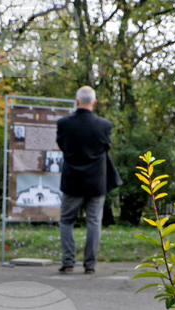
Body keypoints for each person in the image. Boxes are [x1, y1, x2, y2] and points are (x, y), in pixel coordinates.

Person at [55, 86, 121, 274]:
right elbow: (106, 147)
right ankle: (90, 265)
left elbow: (62, 145)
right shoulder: (104, 125)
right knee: (94, 222)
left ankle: (68, 262)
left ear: (77, 101)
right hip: (96, 181)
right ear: (95, 102)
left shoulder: (64, 123)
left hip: (72, 180)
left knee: (66, 221)